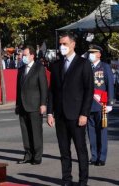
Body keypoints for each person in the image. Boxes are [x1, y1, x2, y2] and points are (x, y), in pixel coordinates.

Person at [47, 32, 94, 186]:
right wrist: (50, 112)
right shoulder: (55, 65)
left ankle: (82, 181)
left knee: (81, 150)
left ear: (73, 44)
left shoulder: (83, 64)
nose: (62, 47)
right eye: (60, 44)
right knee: (64, 151)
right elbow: (52, 91)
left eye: (65, 44)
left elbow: (89, 90)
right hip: (60, 115)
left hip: (77, 115)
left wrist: (84, 113)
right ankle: (66, 179)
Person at [15, 46, 48, 165]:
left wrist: (43, 104)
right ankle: (28, 154)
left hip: (35, 105)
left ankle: (37, 156)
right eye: (22, 55)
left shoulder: (39, 68)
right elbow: (18, 88)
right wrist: (17, 104)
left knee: (36, 132)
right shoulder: (21, 69)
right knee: (25, 132)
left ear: (32, 55)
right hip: (23, 105)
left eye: (25, 55)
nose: (23, 57)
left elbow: (43, 87)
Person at [87, 45, 114, 166]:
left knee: (102, 132)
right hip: (88, 105)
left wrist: (110, 103)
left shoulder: (105, 67)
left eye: (93, 52)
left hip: (101, 104)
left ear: (99, 54)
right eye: (90, 52)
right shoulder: (87, 67)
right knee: (91, 132)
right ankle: (94, 156)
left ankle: (102, 157)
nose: (91, 54)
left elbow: (110, 85)